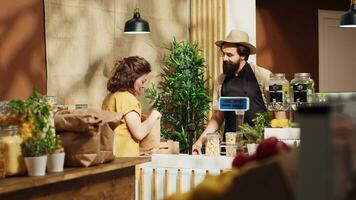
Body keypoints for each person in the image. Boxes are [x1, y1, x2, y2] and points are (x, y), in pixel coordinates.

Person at [192, 30, 272, 154]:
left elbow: (279, 113)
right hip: (230, 147)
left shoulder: (263, 76)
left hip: (258, 146)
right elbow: (218, 116)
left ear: (242, 55)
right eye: (223, 54)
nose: (224, 59)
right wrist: (199, 142)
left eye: (229, 55)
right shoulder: (220, 80)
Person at [102, 56, 161, 157]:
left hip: (111, 158)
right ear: (132, 77)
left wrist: (140, 152)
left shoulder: (109, 97)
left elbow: (120, 133)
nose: (143, 86)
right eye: (142, 81)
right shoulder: (128, 99)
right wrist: (154, 115)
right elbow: (139, 133)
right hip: (125, 163)